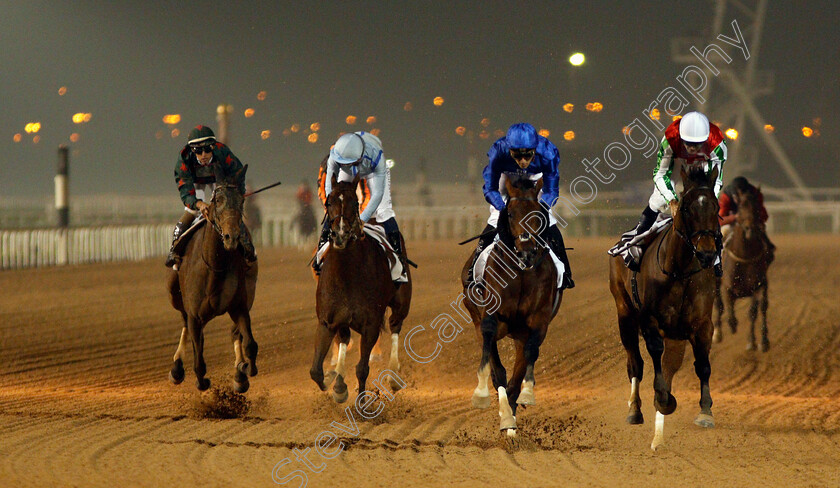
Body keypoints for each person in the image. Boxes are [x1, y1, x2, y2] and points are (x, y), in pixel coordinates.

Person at [609, 111, 726, 274]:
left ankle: (716, 257)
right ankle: (635, 241)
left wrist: (709, 203)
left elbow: (717, 180)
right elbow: (661, 174)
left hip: (703, 164)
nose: (692, 148)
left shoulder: (718, 144)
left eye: (697, 143)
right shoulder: (670, 139)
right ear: (681, 137)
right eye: (688, 142)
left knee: (705, 208)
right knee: (658, 201)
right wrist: (672, 200)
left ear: (706, 139)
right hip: (677, 160)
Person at [466, 122, 574, 289]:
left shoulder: (547, 153)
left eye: (527, 155)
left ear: (535, 149)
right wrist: (504, 209)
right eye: (517, 155)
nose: (522, 161)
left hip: (535, 179)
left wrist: (541, 209)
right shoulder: (498, 152)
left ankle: (566, 272)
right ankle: (474, 270)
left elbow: (551, 190)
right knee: (495, 220)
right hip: (506, 178)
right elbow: (490, 188)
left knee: (550, 221)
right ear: (509, 150)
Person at [312, 131, 405, 276]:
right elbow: (328, 192)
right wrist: (335, 213)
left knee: (384, 212)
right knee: (337, 210)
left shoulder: (376, 159)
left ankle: (399, 261)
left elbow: (375, 195)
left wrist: (360, 218)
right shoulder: (333, 158)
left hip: (372, 170)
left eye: (348, 164)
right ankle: (319, 256)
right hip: (353, 159)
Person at [164, 125, 256, 268]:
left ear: (214, 146)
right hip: (195, 183)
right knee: (192, 212)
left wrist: (237, 195)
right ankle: (174, 250)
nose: (204, 155)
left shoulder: (223, 152)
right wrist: (199, 204)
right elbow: (185, 190)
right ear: (192, 151)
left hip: (219, 181)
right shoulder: (184, 159)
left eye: (207, 149)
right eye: (198, 151)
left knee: (227, 210)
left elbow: (238, 173)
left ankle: (247, 246)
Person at [718, 176, 775, 261]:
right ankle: (716, 258)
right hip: (732, 222)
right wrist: (734, 217)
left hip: (752, 221)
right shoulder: (726, 196)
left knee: (761, 231)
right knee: (723, 232)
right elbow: (720, 219)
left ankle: (768, 252)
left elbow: (764, 215)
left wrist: (755, 219)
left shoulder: (755, 193)